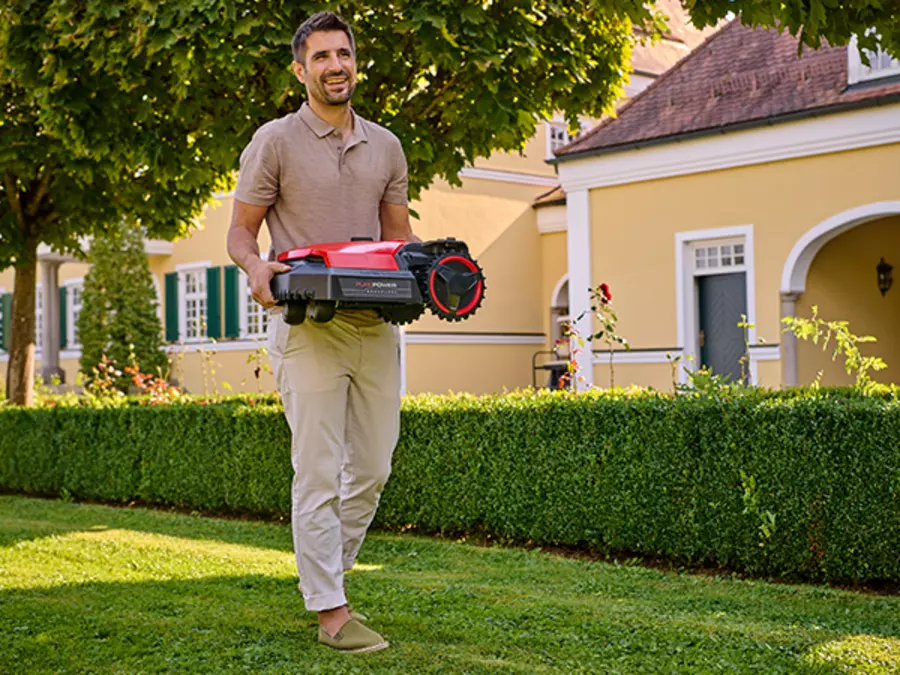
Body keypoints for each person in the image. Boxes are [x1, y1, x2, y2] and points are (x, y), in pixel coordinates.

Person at [226, 11, 418, 653]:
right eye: (321, 57)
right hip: (308, 325)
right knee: (316, 470)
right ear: (300, 69)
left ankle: (325, 578)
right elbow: (240, 231)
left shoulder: (386, 145)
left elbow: (400, 239)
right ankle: (331, 610)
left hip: (376, 328)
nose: (335, 66)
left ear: (354, 62)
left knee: (371, 467)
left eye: (344, 54)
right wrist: (256, 267)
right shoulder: (275, 141)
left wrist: (436, 268)